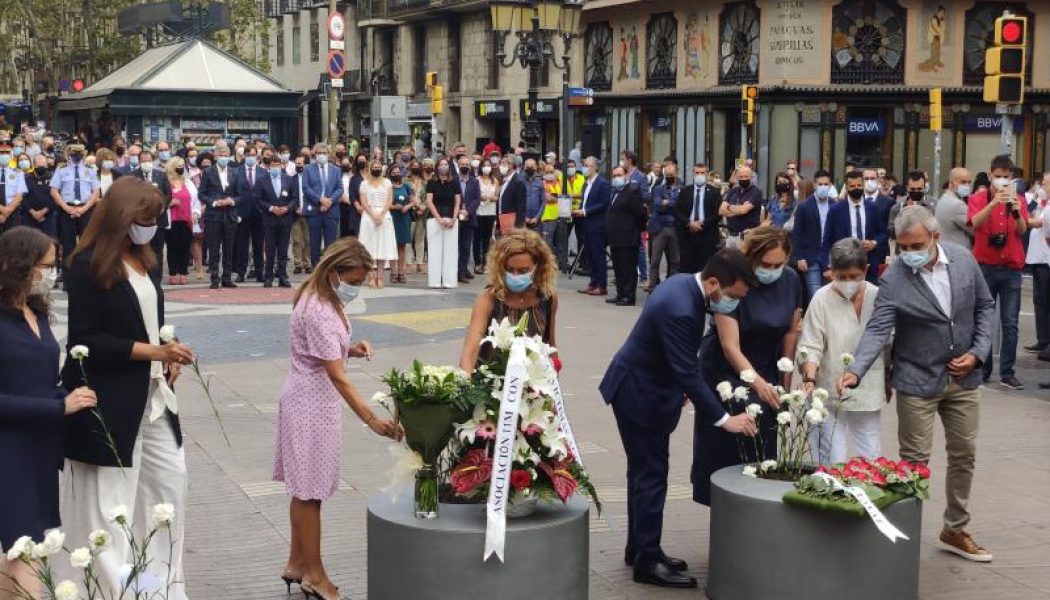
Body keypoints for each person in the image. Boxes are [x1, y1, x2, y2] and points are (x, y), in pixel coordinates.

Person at [61, 177, 197, 598]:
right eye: (144, 218)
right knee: (110, 508)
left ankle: (158, 587)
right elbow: (86, 341)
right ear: (121, 217)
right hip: (109, 399)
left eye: (155, 219)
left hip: (155, 397)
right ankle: (113, 590)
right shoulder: (86, 265)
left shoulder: (144, 259)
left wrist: (167, 351)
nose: (151, 226)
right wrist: (153, 353)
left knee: (169, 489)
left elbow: (145, 321)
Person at [839, 206, 994, 563]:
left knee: (964, 454)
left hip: (963, 378)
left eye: (916, 245)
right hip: (916, 378)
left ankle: (955, 528)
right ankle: (903, 540)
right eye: (903, 246)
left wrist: (977, 353)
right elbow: (878, 328)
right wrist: (856, 370)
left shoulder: (963, 260)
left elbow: (985, 307)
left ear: (935, 237)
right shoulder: (895, 278)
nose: (908, 253)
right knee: (913, 464)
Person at [600, 249, 758, 589]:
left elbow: (676, 360)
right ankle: (647, 560)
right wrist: (724, 419)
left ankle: (640, 547)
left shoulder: (684, 285)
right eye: (731, 297)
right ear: (715, 283)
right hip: (640, 395)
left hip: (641, 387)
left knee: (643, 473)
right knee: (652, 475)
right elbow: (687, 372)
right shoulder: (682, 308)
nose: (732, 305)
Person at [273, 237, 400, 600]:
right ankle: (315, 573)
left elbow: (324, 353)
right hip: (310, 407)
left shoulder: (318, 297)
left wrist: (349, 349)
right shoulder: (320, 309)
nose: (357, 287)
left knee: (304, 491)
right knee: (310, 494)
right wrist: (372, 419)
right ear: (334, 272)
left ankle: (297, 562)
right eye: (354, 280)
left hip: (307, 401)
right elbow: (337, 376)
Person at [0, 227, 97, 599]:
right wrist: (58, 406)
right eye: (45, 266)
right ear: (19, 264)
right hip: (9, 451)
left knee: (27, 549)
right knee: (24, 550)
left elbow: (40, 379)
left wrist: (69, 394)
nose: (51, 273)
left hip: (41, 448)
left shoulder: (36, 313)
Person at [692, 226, 803, 505]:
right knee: (727, 444)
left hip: (767, 363)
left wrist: (784, 382)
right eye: (766, 264)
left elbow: (790, 332)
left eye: (779, 264)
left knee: (765, 442)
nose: (772, 270)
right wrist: (759, 384)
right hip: (727, 371)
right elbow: (730, 347)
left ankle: (757, 508)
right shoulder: (735, 281)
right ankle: (722, 507)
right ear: (752, 259)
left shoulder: (790, 280)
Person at [797, 238, 886, 464]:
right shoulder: (821, 298)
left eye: (854, 276)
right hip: (827, 388)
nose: (848, 282)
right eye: (841, 277)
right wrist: (808, 377)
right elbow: (811, 343)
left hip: (868, 387)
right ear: (831, 272)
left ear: (865, 270)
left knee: (870, 457)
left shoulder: (878, 297)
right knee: (831, 459)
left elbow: (886, 341)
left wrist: (890, 378)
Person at [459, 228, 559, 370]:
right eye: (509, 269)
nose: (515, 275)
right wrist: (466, 380)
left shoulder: (548, 297)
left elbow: (550, 344)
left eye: (523, 271)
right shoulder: (488, 299)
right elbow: (470, 350)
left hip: (532, 383)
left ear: (538, 267)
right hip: (490, 383)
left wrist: (553, 380)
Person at [968, 155, 1028, 390]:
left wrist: (1015, 210)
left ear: (1011, 177)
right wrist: (993, 203)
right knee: (984, 320)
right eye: (998, 176)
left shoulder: (1019, 199)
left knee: (1010, 322)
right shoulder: (979, 197)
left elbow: (1022, 229)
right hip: (985, 266)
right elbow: (974, 223)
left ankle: (1007, 372)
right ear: (990, 175)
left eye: (1006, 177)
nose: (1002, 181)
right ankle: (983, 368)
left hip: (1012, 267)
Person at [822, 170, 887, 285]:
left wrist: (873, 243)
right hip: (843, 264)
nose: (856, 188)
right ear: (846, 187)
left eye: (859, 185)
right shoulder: (835, 210)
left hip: (868, 263)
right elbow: (827, 239)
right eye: (852, 186)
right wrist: (827, 265)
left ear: (863, 186)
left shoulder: (873, 207)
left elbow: (883, 233)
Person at [51, 143, 100, 287]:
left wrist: (84, 209)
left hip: (85, 210)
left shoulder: (90, 170)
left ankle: (86, 277)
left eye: (79, 153)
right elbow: (54, 191)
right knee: (68, 245)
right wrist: (67, 208)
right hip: (67, 210)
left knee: (86, 244)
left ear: (84, 153)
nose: (77, 155)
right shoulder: (61, 169)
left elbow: (96, 191)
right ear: (69, 153)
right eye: (74, 153)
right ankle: (68, 281)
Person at [199, 146, 242, 289]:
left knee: (229, 248)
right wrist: (214, 202)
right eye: (221, 154)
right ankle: (214, 278)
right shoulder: (208, 172)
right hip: (214, 216)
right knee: (214, 248)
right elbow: (202, 194)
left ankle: (227, 277)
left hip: (230, 215)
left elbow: (240, 195)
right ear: (216, 156)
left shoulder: (235, 172)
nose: (224, 157)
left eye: (226, 155)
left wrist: (232, 201)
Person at [605, 164, 647, 306]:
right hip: (615, 237)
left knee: (628, 268)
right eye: (614, 176)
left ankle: (629, 296)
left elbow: (641, 214)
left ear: (626, 176)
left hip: (628, 237)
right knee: (618, 267)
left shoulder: (632, 192)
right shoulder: (615, 192)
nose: (616, 178)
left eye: (619, 175)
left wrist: (636, 229)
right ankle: (620, 293)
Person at [256, 155, 298, 288]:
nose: (275, 167)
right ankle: (268, 276)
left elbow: (294, 198)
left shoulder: (289, 179)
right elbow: (258, 199)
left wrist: (287, 208)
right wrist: (271, 208)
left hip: (285, 219)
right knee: (269, 249)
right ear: (269, 166)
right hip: (269, 220)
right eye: (272, 165)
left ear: (281, 165)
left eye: (277, 165)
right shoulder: (262, 180)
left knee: (283, 249)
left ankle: (283, 276)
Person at [792, 170, 835, 300]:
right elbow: (797, 233)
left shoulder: (835, 205)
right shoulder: (804, 206)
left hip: (830, 257)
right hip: (811, 258)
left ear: (830, 185)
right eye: (820, 184)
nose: (823, 187)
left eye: (826, 184)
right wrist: (799, 257)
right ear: (814, 185)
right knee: (815, 295)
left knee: (830, 295)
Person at [357, 158, 398, 288]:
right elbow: (363, 202)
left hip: (384, 218)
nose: (376, 169)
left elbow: (389, 200)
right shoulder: (364, 183)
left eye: (378, 167)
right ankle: (370, 276)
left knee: (382, 247)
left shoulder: (387, 182)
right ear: (370, 168)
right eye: (374, 167)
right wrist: (373, 215)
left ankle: (380, 277)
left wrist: (381, 214)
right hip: (368, 218)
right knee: (369, 248)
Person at [675, 163, 723, 274]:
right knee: (686, 269)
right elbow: (678, 211)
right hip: (687, 236)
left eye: (702, 173)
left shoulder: (714, 192)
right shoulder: (685, 191)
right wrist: (689, 223)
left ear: (707, 174)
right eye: (697, 173)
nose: (700, 175)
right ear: (693, 174)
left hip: (707, 236)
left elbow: (718, 214)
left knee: (706, 270)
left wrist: (702, 224)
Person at [302, 143, 344, 267]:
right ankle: (315, 269)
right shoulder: (308, 169)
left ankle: (329, 269)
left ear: (328, 154)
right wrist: (320, 200)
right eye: (319, 153)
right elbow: (306, 188)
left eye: (324, 153)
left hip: (331, 211)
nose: (321, 155)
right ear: (314, 155)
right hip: (314, 211)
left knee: (331, 243)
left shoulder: (336, 170)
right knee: (314, 243)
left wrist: (329, 201)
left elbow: (339, 188)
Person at [574, 156, 610, 295]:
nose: (585, 168)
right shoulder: (585, 183)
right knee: (590, 254)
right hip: (585, 223)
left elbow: (603, 203)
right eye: (584, 165)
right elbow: (585, 201)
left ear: (595, 167)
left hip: (597, 224)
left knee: (598, 255)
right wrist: (578, 211)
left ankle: (602, 285)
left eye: (587, 165)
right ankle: (593, 282)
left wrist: (584, 211)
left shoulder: (602, 183)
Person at [425, 157, 462, 289]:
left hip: (451, 219)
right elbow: (429, 201)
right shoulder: (431, 182)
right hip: (435, 219)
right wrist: (439, 218)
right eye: (441, 164)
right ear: (437, 167)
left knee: (451, 252)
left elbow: (458, 201)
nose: (444, 166)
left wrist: (453, 218)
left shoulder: (454, 182)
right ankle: (434, 281)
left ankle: (450, 281)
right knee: (434, 251)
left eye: (446, 164)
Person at [1025, 174, 1050, 361]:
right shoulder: (1043, 204)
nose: (1041, 186)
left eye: (1044, 184)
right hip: (1036, 258)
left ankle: (1047, 342)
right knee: (1039, 302)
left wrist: (1025, 219)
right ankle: (1042, 339)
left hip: (1045, 259)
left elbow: (1035, 222)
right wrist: (1035, 199)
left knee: (1046, 302)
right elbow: (1030, 213)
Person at [164, 157, 199, 286]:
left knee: (185, 247)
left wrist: (196, 213)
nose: (181, 167)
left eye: (182, 165)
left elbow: (196, 201)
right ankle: (173, 273)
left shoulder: (188, 182)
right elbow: (160, 198)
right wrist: (169, 203)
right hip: (171, 220)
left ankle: (183, 273)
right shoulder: (166, 182)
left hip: (186, 220)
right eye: (178, 165)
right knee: (172, 247)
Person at [647, 163, 682, 290]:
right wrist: (672, 203)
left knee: (675, 260)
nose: (669, 177)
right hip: (659, 227)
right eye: (666, 175)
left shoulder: (681, 188)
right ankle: (652, 286)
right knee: (655, 259)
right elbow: (657, 205)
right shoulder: (658, 188)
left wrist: (668, 202)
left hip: (675, 227)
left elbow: (680, 206)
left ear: (676, 174)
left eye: (671, 175)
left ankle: (672, 286)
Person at [718, 165, 762, 248]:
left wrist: (729, 207)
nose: (744, 178)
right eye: (741, 176)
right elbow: (721, 210)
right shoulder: (733, 191)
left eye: (746, 176)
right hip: (730, 235)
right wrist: (739, 208)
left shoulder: (756, 192)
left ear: (751, 177)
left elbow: (744, 210)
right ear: (737, 177)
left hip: (747, 236)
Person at [456, 154, 481, 283]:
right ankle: (458, 271)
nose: (464, 166)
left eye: (467, 164)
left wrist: (468, 212)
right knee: (457, 246)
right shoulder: (453, 180)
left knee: (466, 246)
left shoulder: (474, 181)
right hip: (456, 217)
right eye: (462, 164)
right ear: (458, 166)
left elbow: (477, 199)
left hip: (470, 218)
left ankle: (463, 269)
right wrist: (459, 210)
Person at [388, 165, 416, 283]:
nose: (396, 174)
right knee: (392, 246)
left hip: (404, 218)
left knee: (402, 246)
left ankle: (401, 272)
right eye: (394, 173)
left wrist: (407, 206)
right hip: (392, 218)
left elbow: (413, 201)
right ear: (390, 174)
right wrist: (394, 206)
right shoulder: (388, 187)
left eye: (398, 172)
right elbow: (385, 204)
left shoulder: (406, 186)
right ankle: (393, 272)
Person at [20, 154, 57, 239]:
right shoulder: (26, 178)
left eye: (43, 165)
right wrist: (33, 212)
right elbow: (22, 198)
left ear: (47, 165)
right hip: (29, 217)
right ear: (34, 165)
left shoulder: (53, 177)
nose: (41, 166)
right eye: (38, 165)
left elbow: (56, 197)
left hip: (49, 216)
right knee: (29, 242)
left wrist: (43, 212)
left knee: (50, 242)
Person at [936, 167, 974, 248]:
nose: (967, 186)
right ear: (951, 183)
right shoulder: (957, 205)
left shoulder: (944, 198)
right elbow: (975, 229)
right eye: (963, 182)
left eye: (969, 182)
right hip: (957, 252)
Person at [473, 159, 499, 275]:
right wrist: (481, 197)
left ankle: (485, 263)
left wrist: (493, 198)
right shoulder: (476, 180)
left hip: (490, 212)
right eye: (485, 165)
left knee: (487, 238)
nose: (487, 167)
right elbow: (475, 195)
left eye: (488, 165)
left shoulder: (495, 181)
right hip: (479, 212)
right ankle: (477, 262)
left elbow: (497, 197)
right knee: (477, 238)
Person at [407, 159, 429, 273]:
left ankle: (420, 263)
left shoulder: (425, 182)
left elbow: (428, 197)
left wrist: (423, 207)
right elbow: (406, 196)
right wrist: (415, 206)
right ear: (410, 168)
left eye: (417, 166)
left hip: (422, 213)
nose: (415, 168)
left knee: (420, 239)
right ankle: (409, 263)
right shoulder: (405, 181)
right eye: (413, 166)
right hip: (410, 213)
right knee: (408, 239)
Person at [0, 141, 27, 233]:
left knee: (12, 243)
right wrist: (2, 210)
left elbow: (19, 196)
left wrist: (7, 212)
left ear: (11, 155)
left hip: (13, 212)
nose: (4, 155)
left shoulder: (18, 172)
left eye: (7, 153)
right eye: (1, 153)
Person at [497, 155, 527, 233]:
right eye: (501, 163)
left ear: (512, 165)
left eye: (505, 163)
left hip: (512, 220)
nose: (502, 165)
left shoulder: (518, 182)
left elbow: (521, 205)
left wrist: (518, 225)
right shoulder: (505, 180)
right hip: (502, 218)